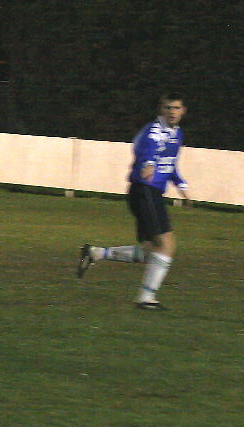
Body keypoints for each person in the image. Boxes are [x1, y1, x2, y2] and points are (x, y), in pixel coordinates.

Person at [77, 92, 190, 309]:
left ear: (183, 111)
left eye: (176, 108)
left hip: (148, 193)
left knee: (151, 251)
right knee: (167, 245)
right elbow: (145, 147)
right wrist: (147, 163)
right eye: (168, 108)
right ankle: (146, 298)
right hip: (144, 191)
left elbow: (170, 163)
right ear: (161, 110)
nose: (172, 112)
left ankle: (96, 253)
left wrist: (182, 186)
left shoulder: (177, 133)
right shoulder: (154, 131)